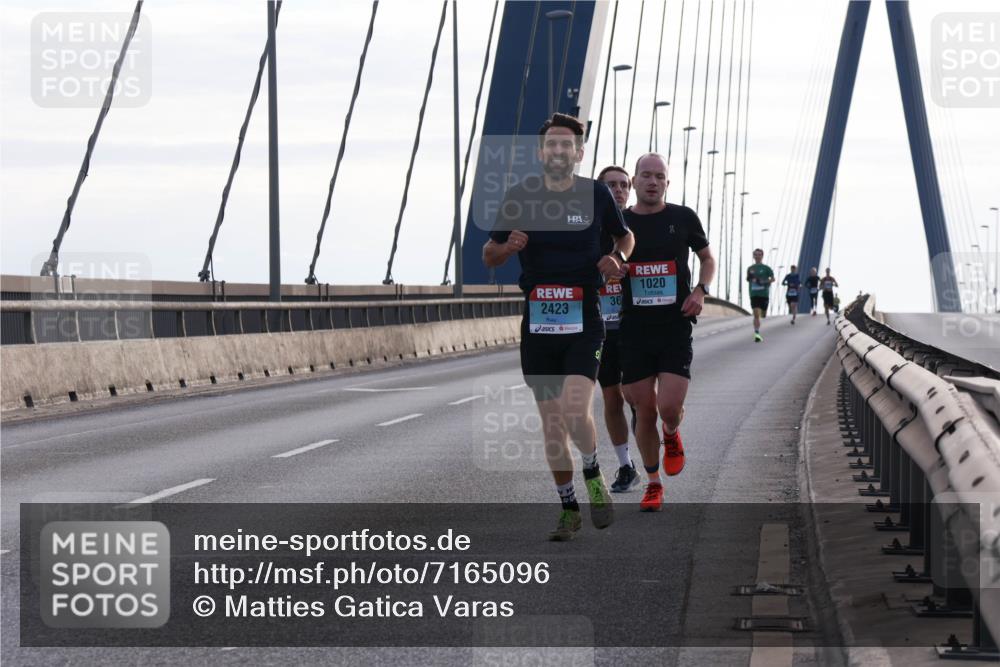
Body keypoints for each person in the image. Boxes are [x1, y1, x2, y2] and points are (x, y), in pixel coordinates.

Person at [483, 113, 635, 541]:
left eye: (567, 145)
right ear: (541, 151)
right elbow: (488, 254)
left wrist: (618, 259)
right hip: (538, 324)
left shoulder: (596, 196)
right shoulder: (521, 196)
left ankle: (593, 471)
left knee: (575, 409)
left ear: (578, 153)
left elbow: (624, 238)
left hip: (584, 320)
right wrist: (505, 247)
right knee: (552, 425)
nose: (558, 151)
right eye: (551, 144)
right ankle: (569, 507)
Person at [618, 153, 716, 513]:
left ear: (667, 184)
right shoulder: (621, 221)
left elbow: (707, 258)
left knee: (668, 407)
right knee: (644, 410)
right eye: (646, 175)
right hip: (634, 328)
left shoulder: (683, 217)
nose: (653, 182)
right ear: (635, 181)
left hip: (674, 325)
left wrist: (700, 290)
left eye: (659, 176)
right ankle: (653, 483)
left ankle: (672, 434)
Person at [596, 165, 639, 492]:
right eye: (611, 185)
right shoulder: (588, 229)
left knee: (637, 397)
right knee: (612, 398)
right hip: (602, 328)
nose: (619, 191)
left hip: (638, 326)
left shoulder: (637, 227)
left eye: (624, 185)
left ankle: (652, 444)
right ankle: (626, 466)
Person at [746, 248, 774, 342]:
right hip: (754, 294)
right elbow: (748, 278)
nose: (757, 256)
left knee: (763, 314)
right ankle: (757, 333)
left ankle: (763, 314)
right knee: (756, 314)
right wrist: (753, 279)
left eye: (759, 255)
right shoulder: (750, 268)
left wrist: (764, 282)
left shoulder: (766, 268)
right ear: (754, 256)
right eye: (756, 254)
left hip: (764, 294)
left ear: (762, 256)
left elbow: (773, 279)